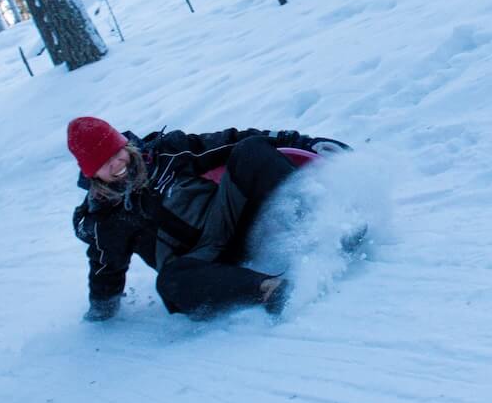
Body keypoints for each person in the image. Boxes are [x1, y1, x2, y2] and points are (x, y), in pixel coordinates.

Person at [67, 116, 347, 321]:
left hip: (230, 221)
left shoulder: (166, 153)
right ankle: (268, 290)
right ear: (92, 173)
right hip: (198, 265)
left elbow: (232, 141)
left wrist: (305, 142)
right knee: (169, 282)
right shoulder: (105, 219)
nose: (117, 164)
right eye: (105, 163)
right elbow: (105, 269)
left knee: (251, 149)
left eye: (117, 153)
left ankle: (326, 229)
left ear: (125, 145)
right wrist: (100, 310)